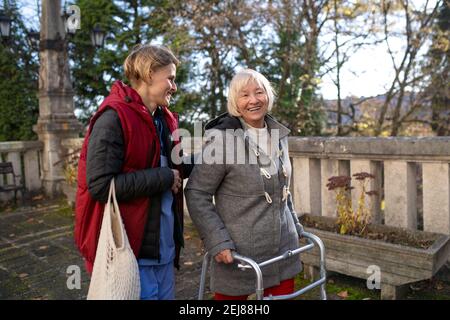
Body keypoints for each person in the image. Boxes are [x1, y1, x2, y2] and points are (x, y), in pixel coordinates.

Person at [74, 44, 192, 300]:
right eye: (170, 79)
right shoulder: (112, 118)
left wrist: (220, 155)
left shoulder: (163, 118)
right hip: (132, 251)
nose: (174, 86)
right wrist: (164, 178)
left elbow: (174, 164)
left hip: (163, 247)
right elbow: (101, 185)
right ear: (149, 74)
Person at [185, 68, 304, 300]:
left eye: (259, 92)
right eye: (244, 95)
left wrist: (295, 226)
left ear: (268, 96)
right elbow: (197, 193)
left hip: (283, 249)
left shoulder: (279, 135)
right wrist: (217, 241)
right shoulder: (222, 141)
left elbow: (283, 189)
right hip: (239, 255)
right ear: (235, 102)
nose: (253, 100)